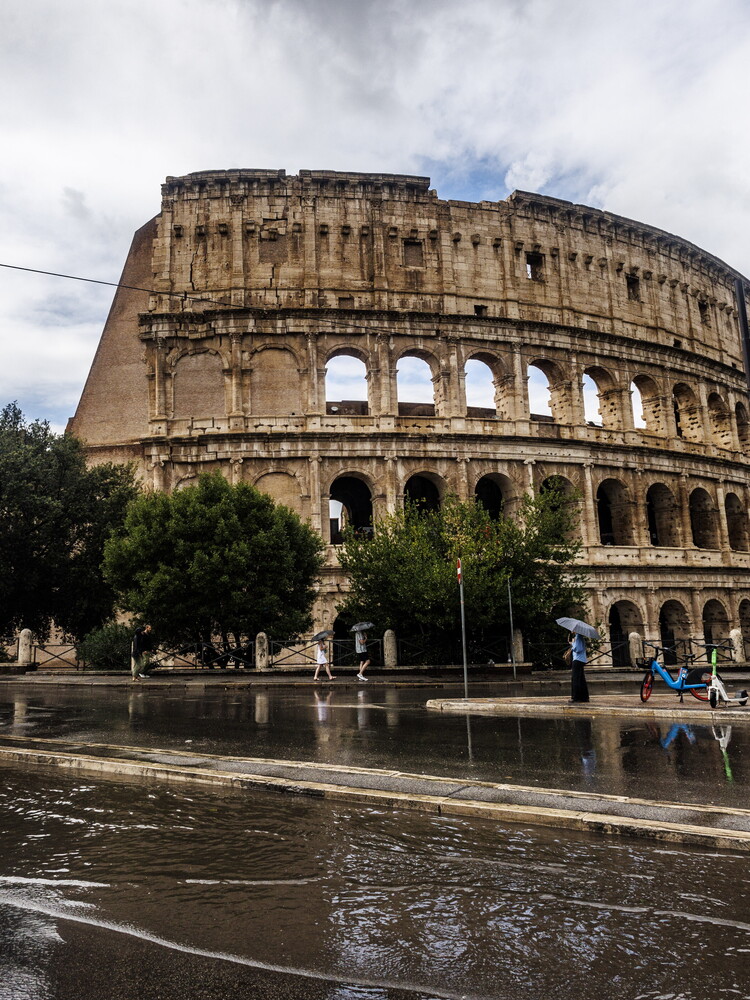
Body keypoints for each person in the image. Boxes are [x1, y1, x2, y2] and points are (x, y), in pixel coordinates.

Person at [569, 631, 589, 703]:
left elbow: (577, 649)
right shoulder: (580, 637)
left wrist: (572, 644)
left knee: (575, 678)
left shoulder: (578, 637)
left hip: (577, 659)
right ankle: (584, 697)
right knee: (581, 679)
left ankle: (576, 697)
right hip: (581, 659)